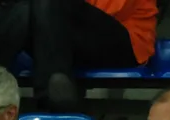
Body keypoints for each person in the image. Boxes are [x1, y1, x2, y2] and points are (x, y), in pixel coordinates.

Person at [29, 0, 158, 111]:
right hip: (75, 36)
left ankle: (50, 96)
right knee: (27, 10)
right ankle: (53, 92)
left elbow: (114, 10)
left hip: (128, 39)